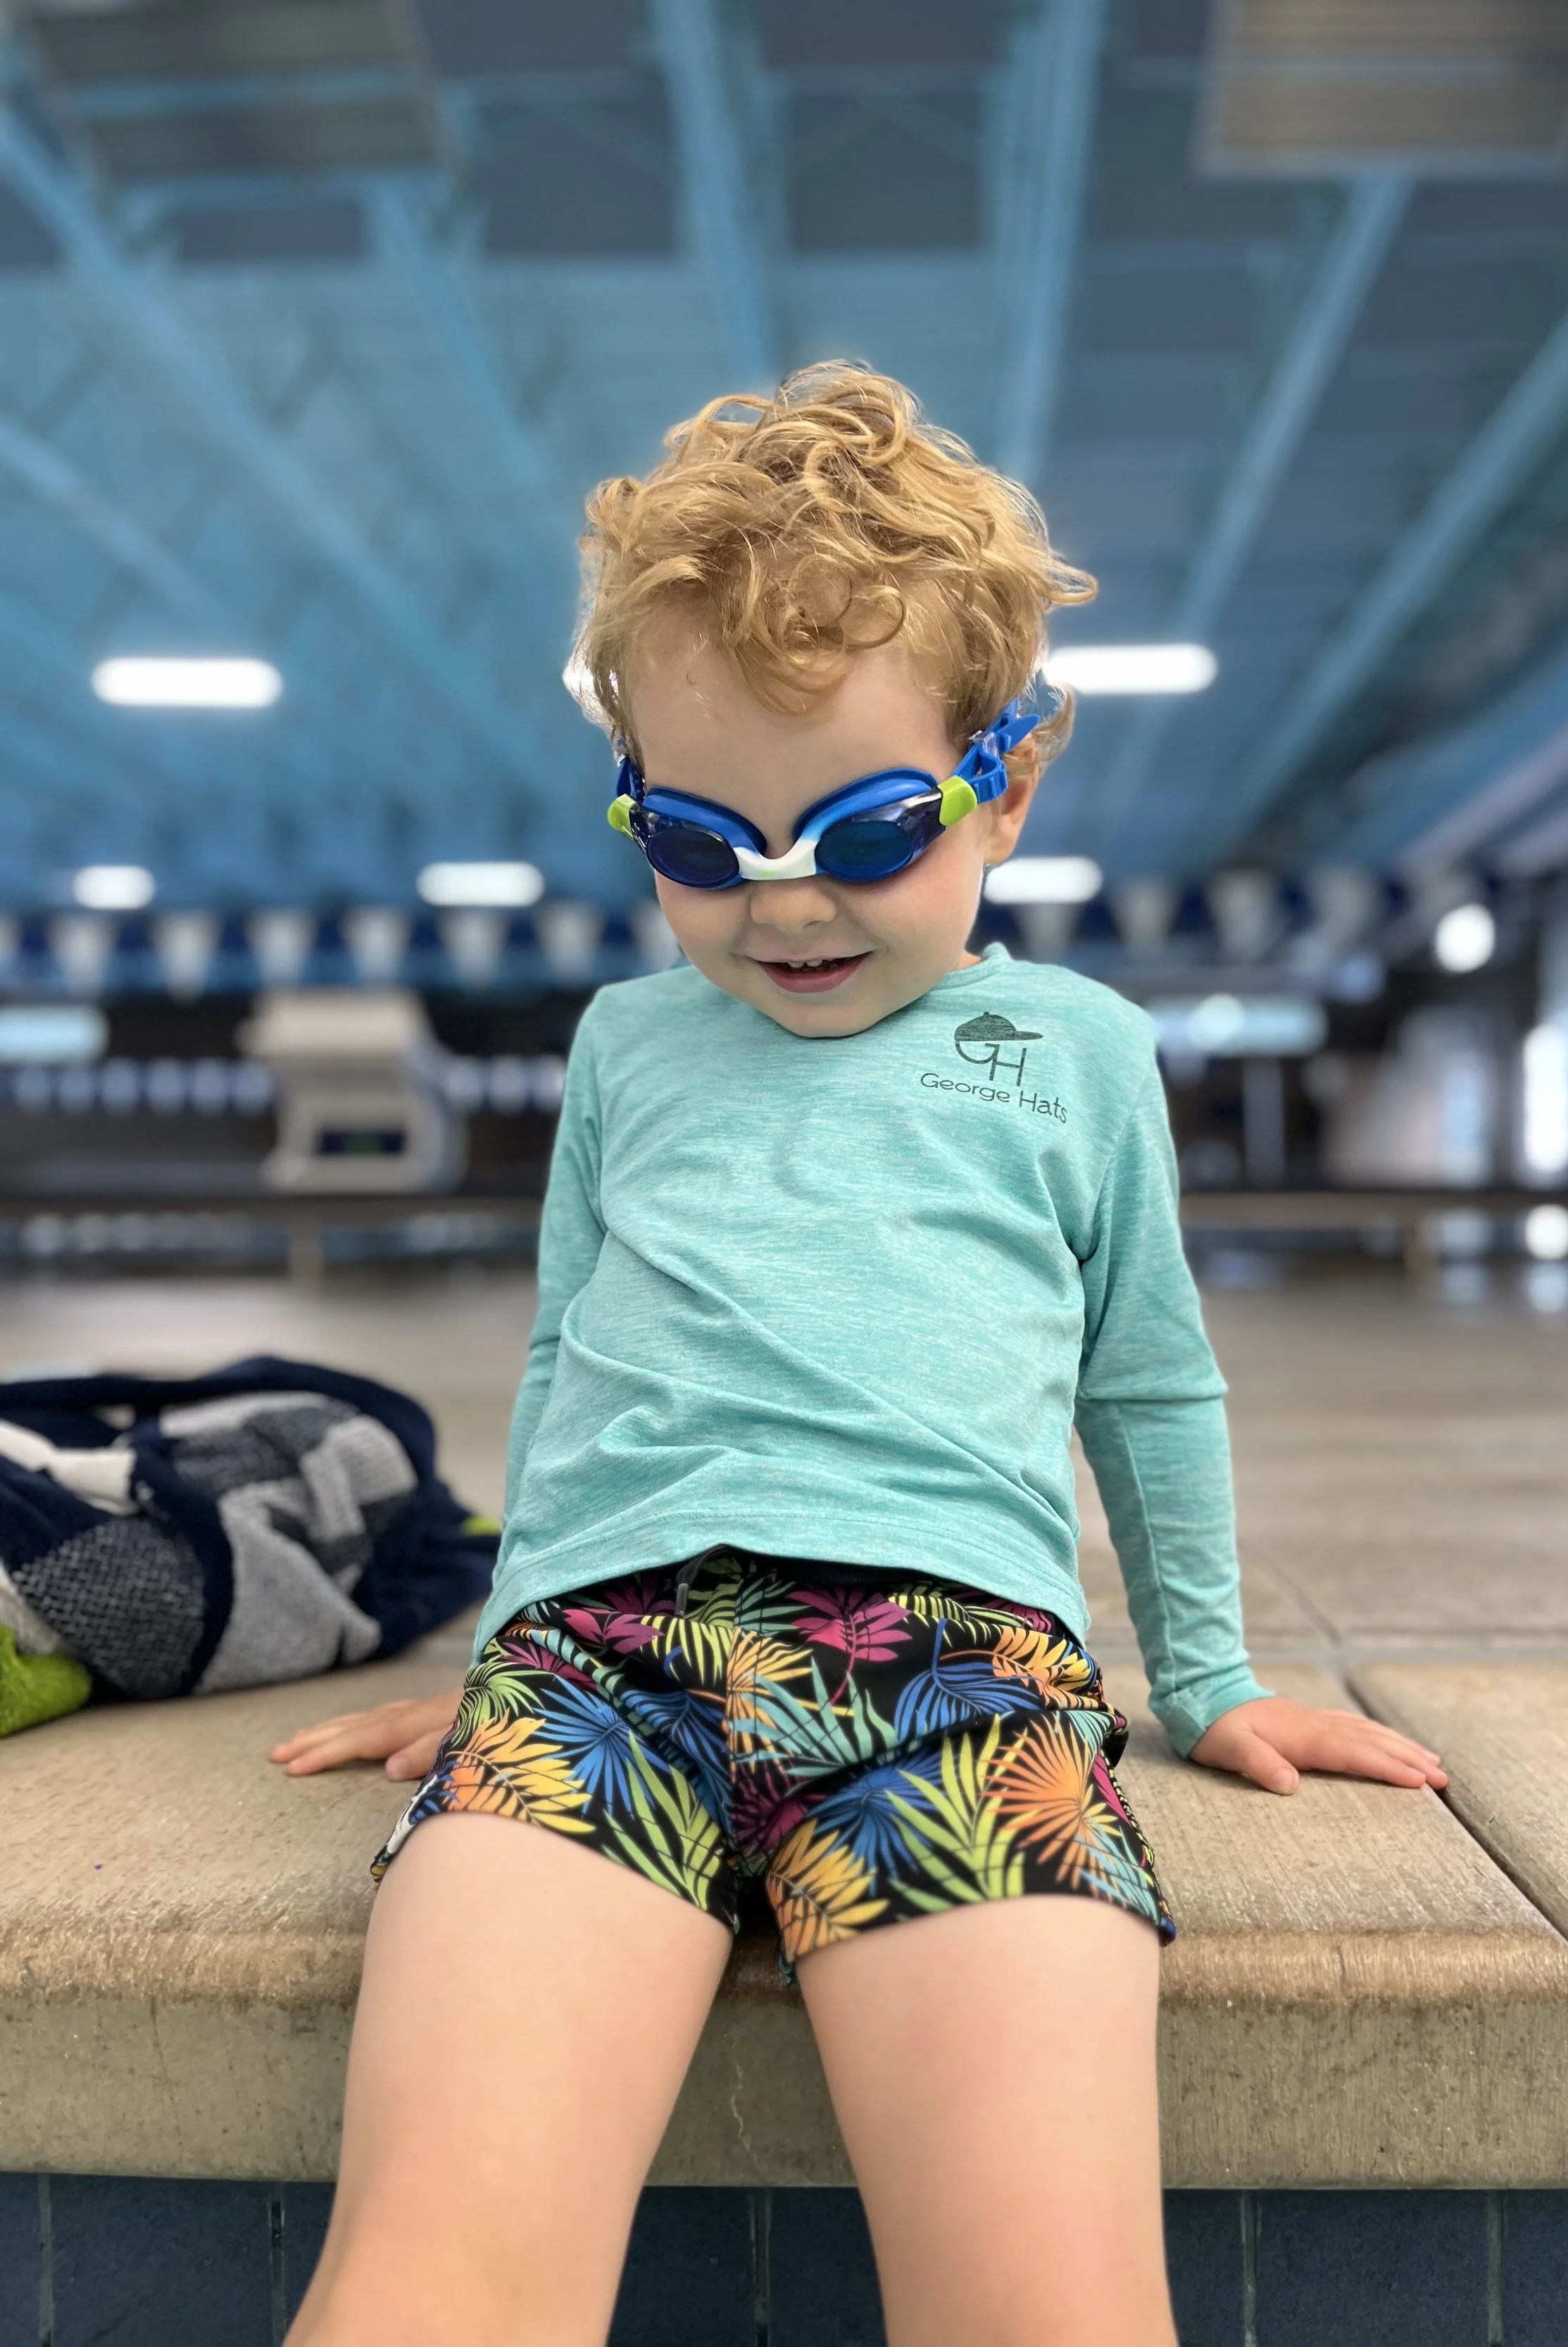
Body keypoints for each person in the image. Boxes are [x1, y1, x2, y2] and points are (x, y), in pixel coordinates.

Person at [272, 365, 1446, 2347]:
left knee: (1045, 2309)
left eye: (867, 825)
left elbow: (1142, 1379)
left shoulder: (1071, 1051)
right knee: (426, 2289)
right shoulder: (626, 1048)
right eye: (700, 839)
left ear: (1005, 780)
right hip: (595, 1676)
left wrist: (1214, 1676)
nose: (784, 896)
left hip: (954, 1683)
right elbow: (576, 1359)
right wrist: (497, 1649)